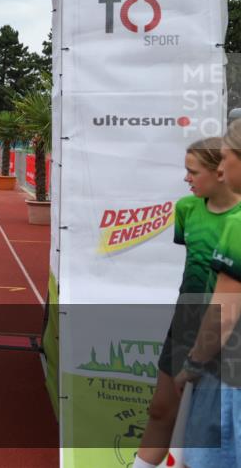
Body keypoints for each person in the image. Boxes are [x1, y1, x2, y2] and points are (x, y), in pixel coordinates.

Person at [134, 138, 241, 468]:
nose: (186, 178)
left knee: (212, 433)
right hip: (186, 322)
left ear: (219, 172)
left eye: (192, 171)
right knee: (161, 409)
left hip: (229, 336)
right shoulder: (186, 209)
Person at [170, 125, 241, 468]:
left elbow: (224, 313)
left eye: (226, 158)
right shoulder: (189, 210)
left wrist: (193, 365)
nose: (223, 169)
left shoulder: (238, 225)